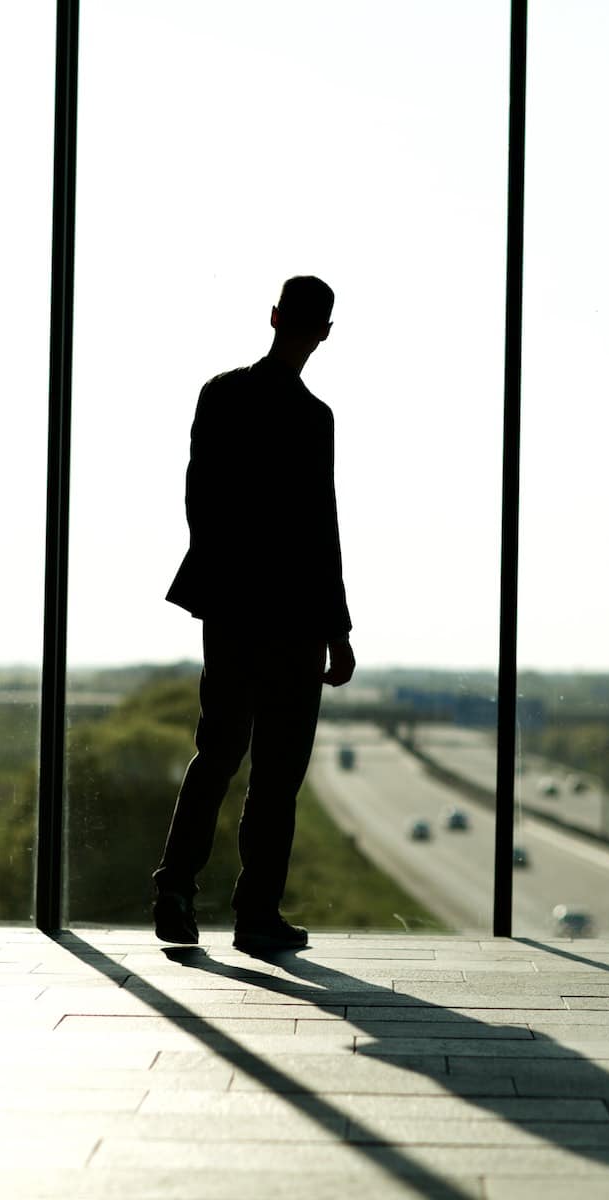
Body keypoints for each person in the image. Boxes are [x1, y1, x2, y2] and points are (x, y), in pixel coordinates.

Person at [152, 275, 356, 953]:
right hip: (296, 617)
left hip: (236, 609)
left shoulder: (224, 394)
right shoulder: (313, 417)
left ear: (274, 316)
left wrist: (225, 584)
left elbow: (200, 498)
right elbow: (321, 529)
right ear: (325, 333)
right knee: (276, 774)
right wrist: (339, 632)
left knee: (218, 754)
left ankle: (176, 889)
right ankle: (255, 912)